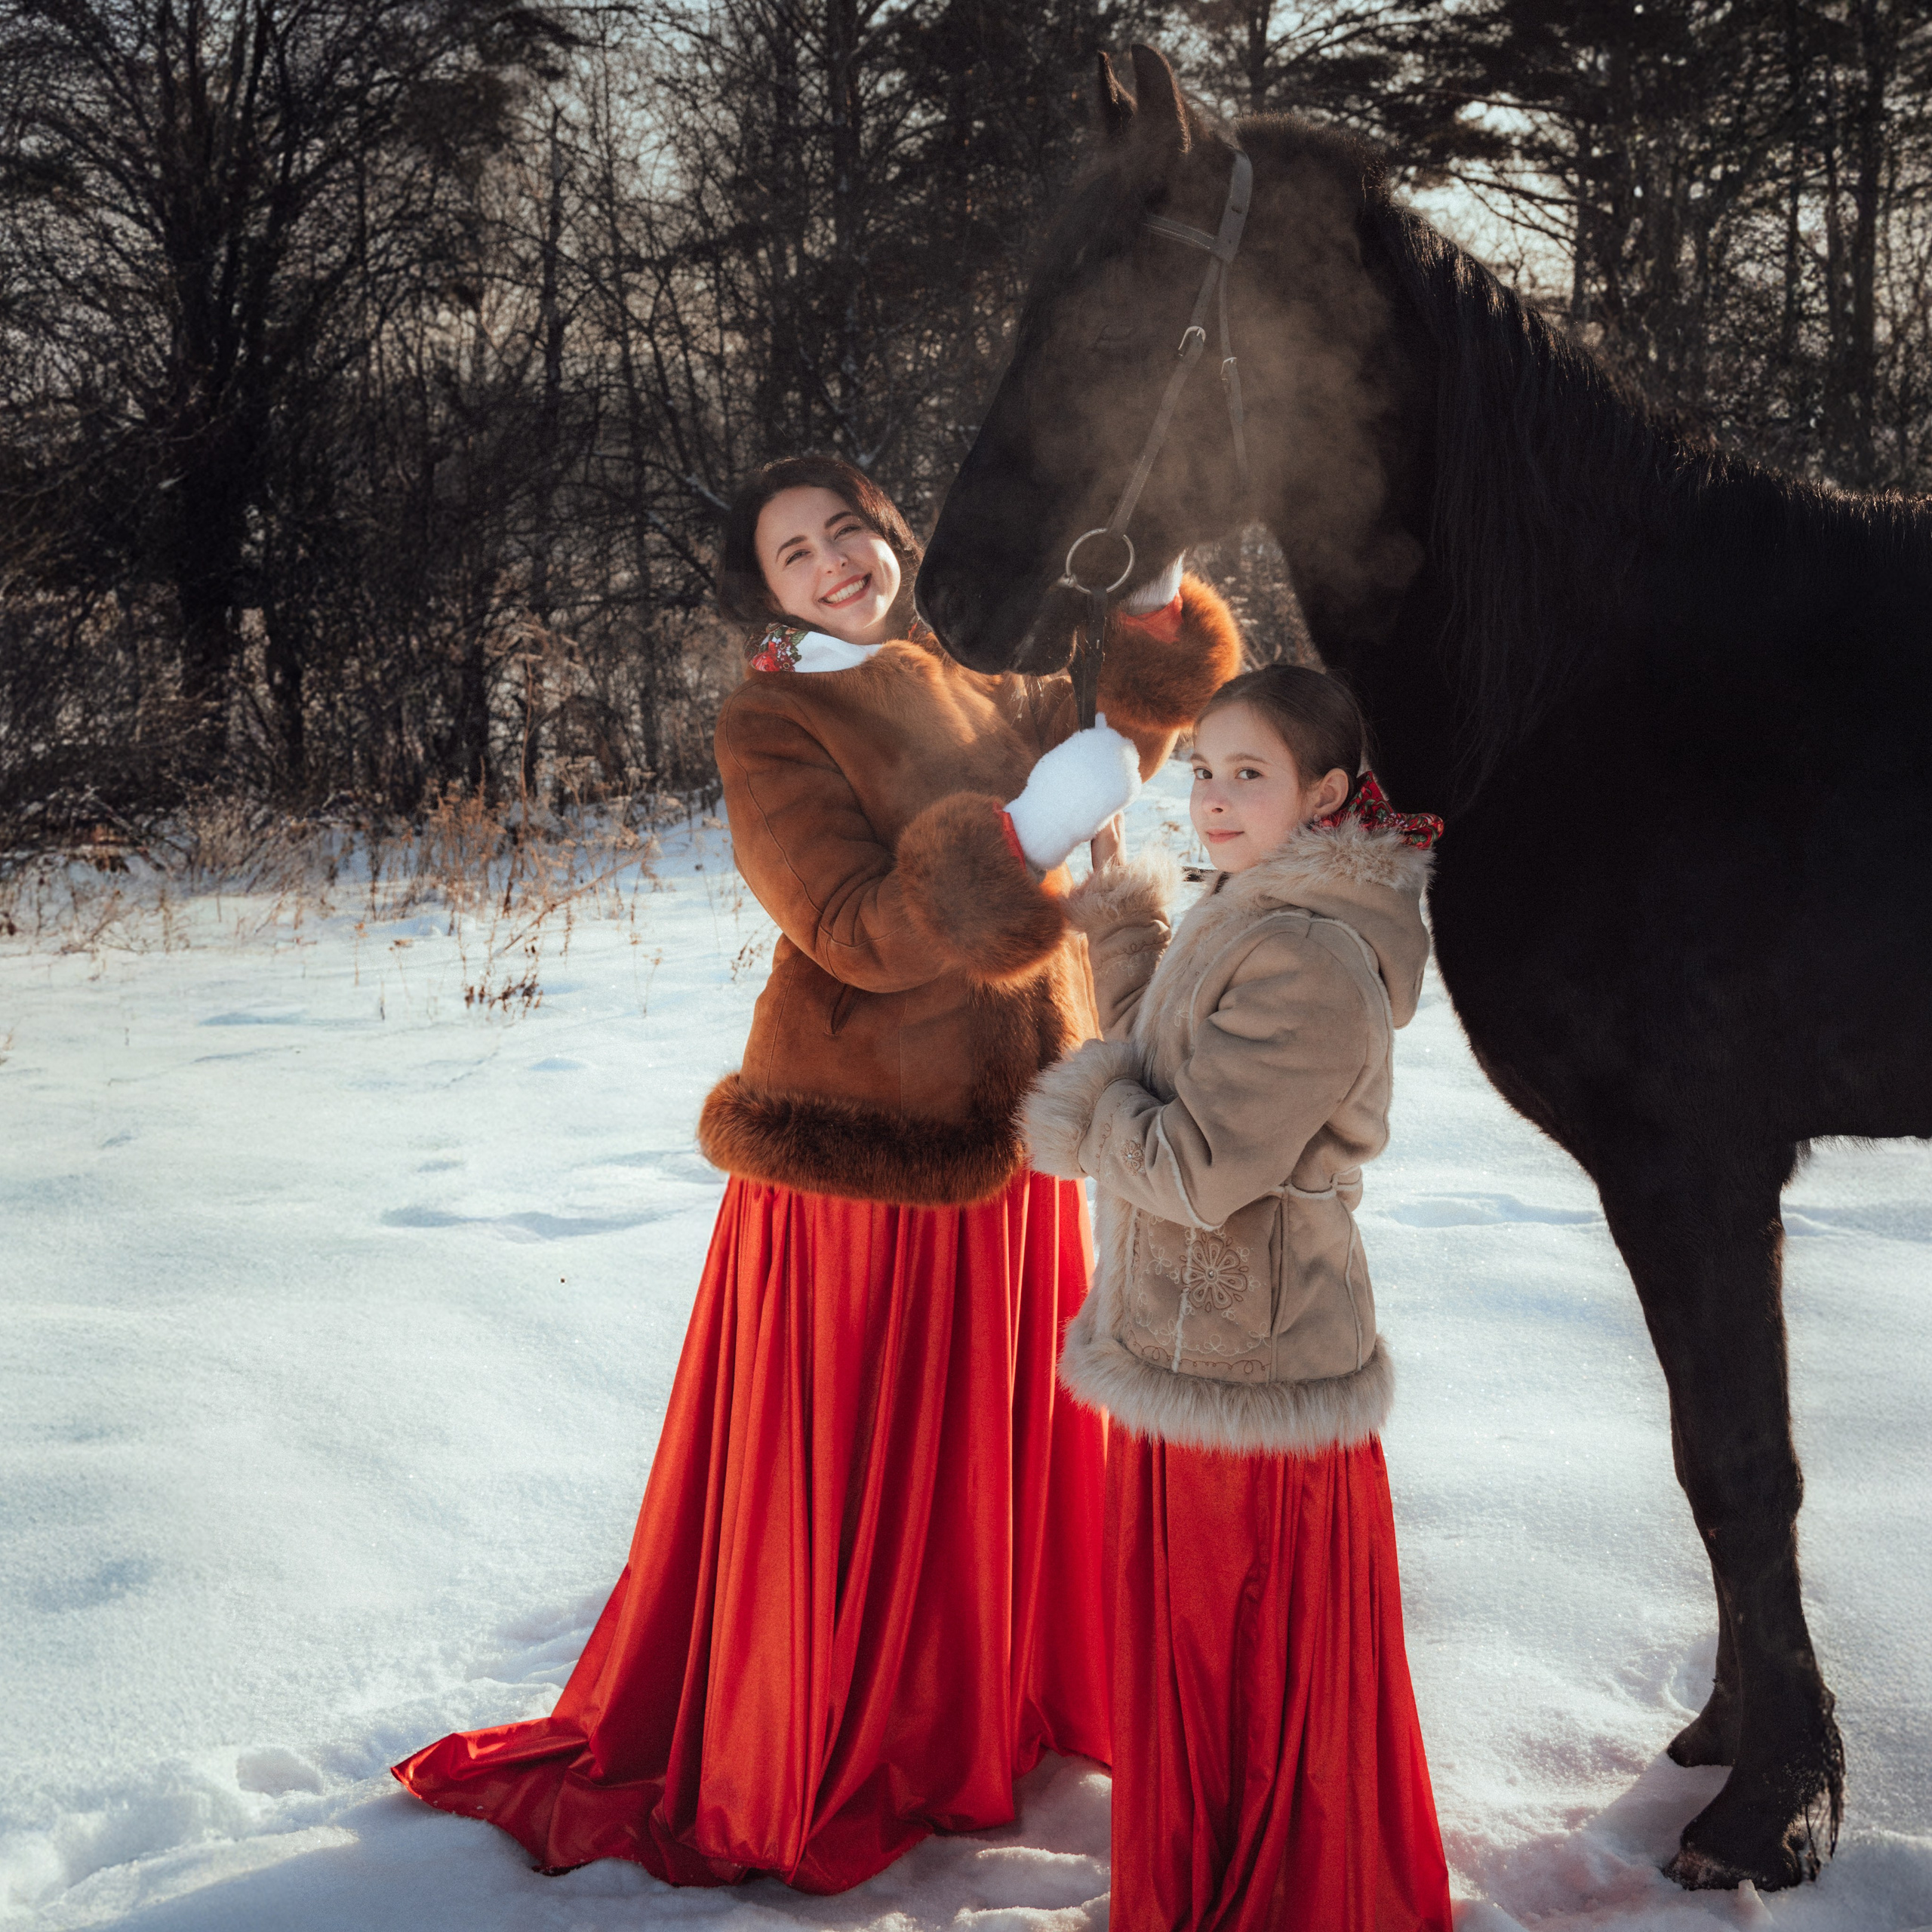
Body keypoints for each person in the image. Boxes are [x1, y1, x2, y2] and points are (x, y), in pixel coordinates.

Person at [391, 454, 1243, 1892]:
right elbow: (851, 928)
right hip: (866, 1157)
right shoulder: (773, 716)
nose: (837, 561)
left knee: (999, 1445)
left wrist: (1156, 597)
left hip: (1019, 1130)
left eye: (853, 530)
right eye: (798, 554)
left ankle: (987, 1700)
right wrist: (1031, 828)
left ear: (895, 540)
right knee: (861, 1467)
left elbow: (1120, 720)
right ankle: (847, 1731)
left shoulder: (972, 669)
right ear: (768, 593)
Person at [1023, 664, 1454, 1932]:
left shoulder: (1312, 951)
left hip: (1246, 1361)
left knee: (1237, 1662)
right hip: (1191, 1340)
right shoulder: (1260, 900)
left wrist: (1076, 1113)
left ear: (1325, 793)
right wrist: (1119, 923)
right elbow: (1172, 1053)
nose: (1211, 799)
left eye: (1247, 775)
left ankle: (1283, 1891)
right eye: (1203, 771)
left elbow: (1199, 1168)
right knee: (1196, 1661)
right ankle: (1207, 1865)